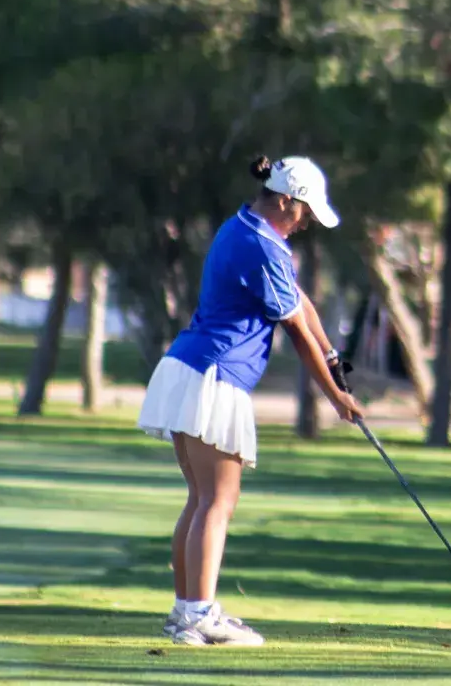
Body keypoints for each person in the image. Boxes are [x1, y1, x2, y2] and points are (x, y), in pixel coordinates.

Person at [136, 154, 364, 646]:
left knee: (202, 499)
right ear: (285, 200)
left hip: (191, 369)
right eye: (304, 211)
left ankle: (187, 613)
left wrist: (332, 355)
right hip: (213, 377)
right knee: (218, 500)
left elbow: (300, 303)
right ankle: (197, 616)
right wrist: (336, 396)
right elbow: (295, 330)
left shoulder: (245, 231)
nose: (306, 222)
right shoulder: (261, 246)